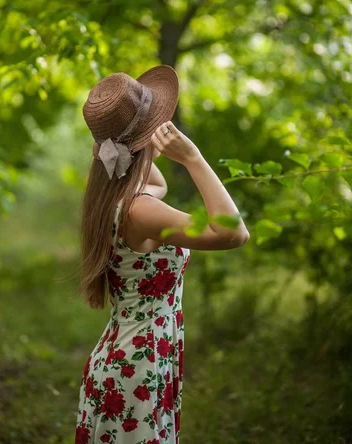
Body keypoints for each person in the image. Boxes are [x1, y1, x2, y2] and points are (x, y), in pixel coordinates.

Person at [75, 64, 250, 444]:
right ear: (141, 142)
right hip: (136, 370)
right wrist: (193, 158)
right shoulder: (141, 212)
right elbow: (234, 233)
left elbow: (157, 182)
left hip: (131, 359)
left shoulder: (113, 200)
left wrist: (139, 141)